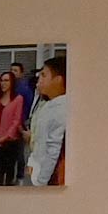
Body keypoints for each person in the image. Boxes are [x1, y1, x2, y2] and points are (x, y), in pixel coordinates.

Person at [23, 56, 71, 188]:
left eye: (44, 75)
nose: (39, 79)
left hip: (48, 178)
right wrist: (32, 162)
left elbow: (53, 150)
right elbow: (39, 140)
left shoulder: (62, 108)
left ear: (58, 80)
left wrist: (41, 180)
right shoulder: (49, 104)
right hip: (37, 169)